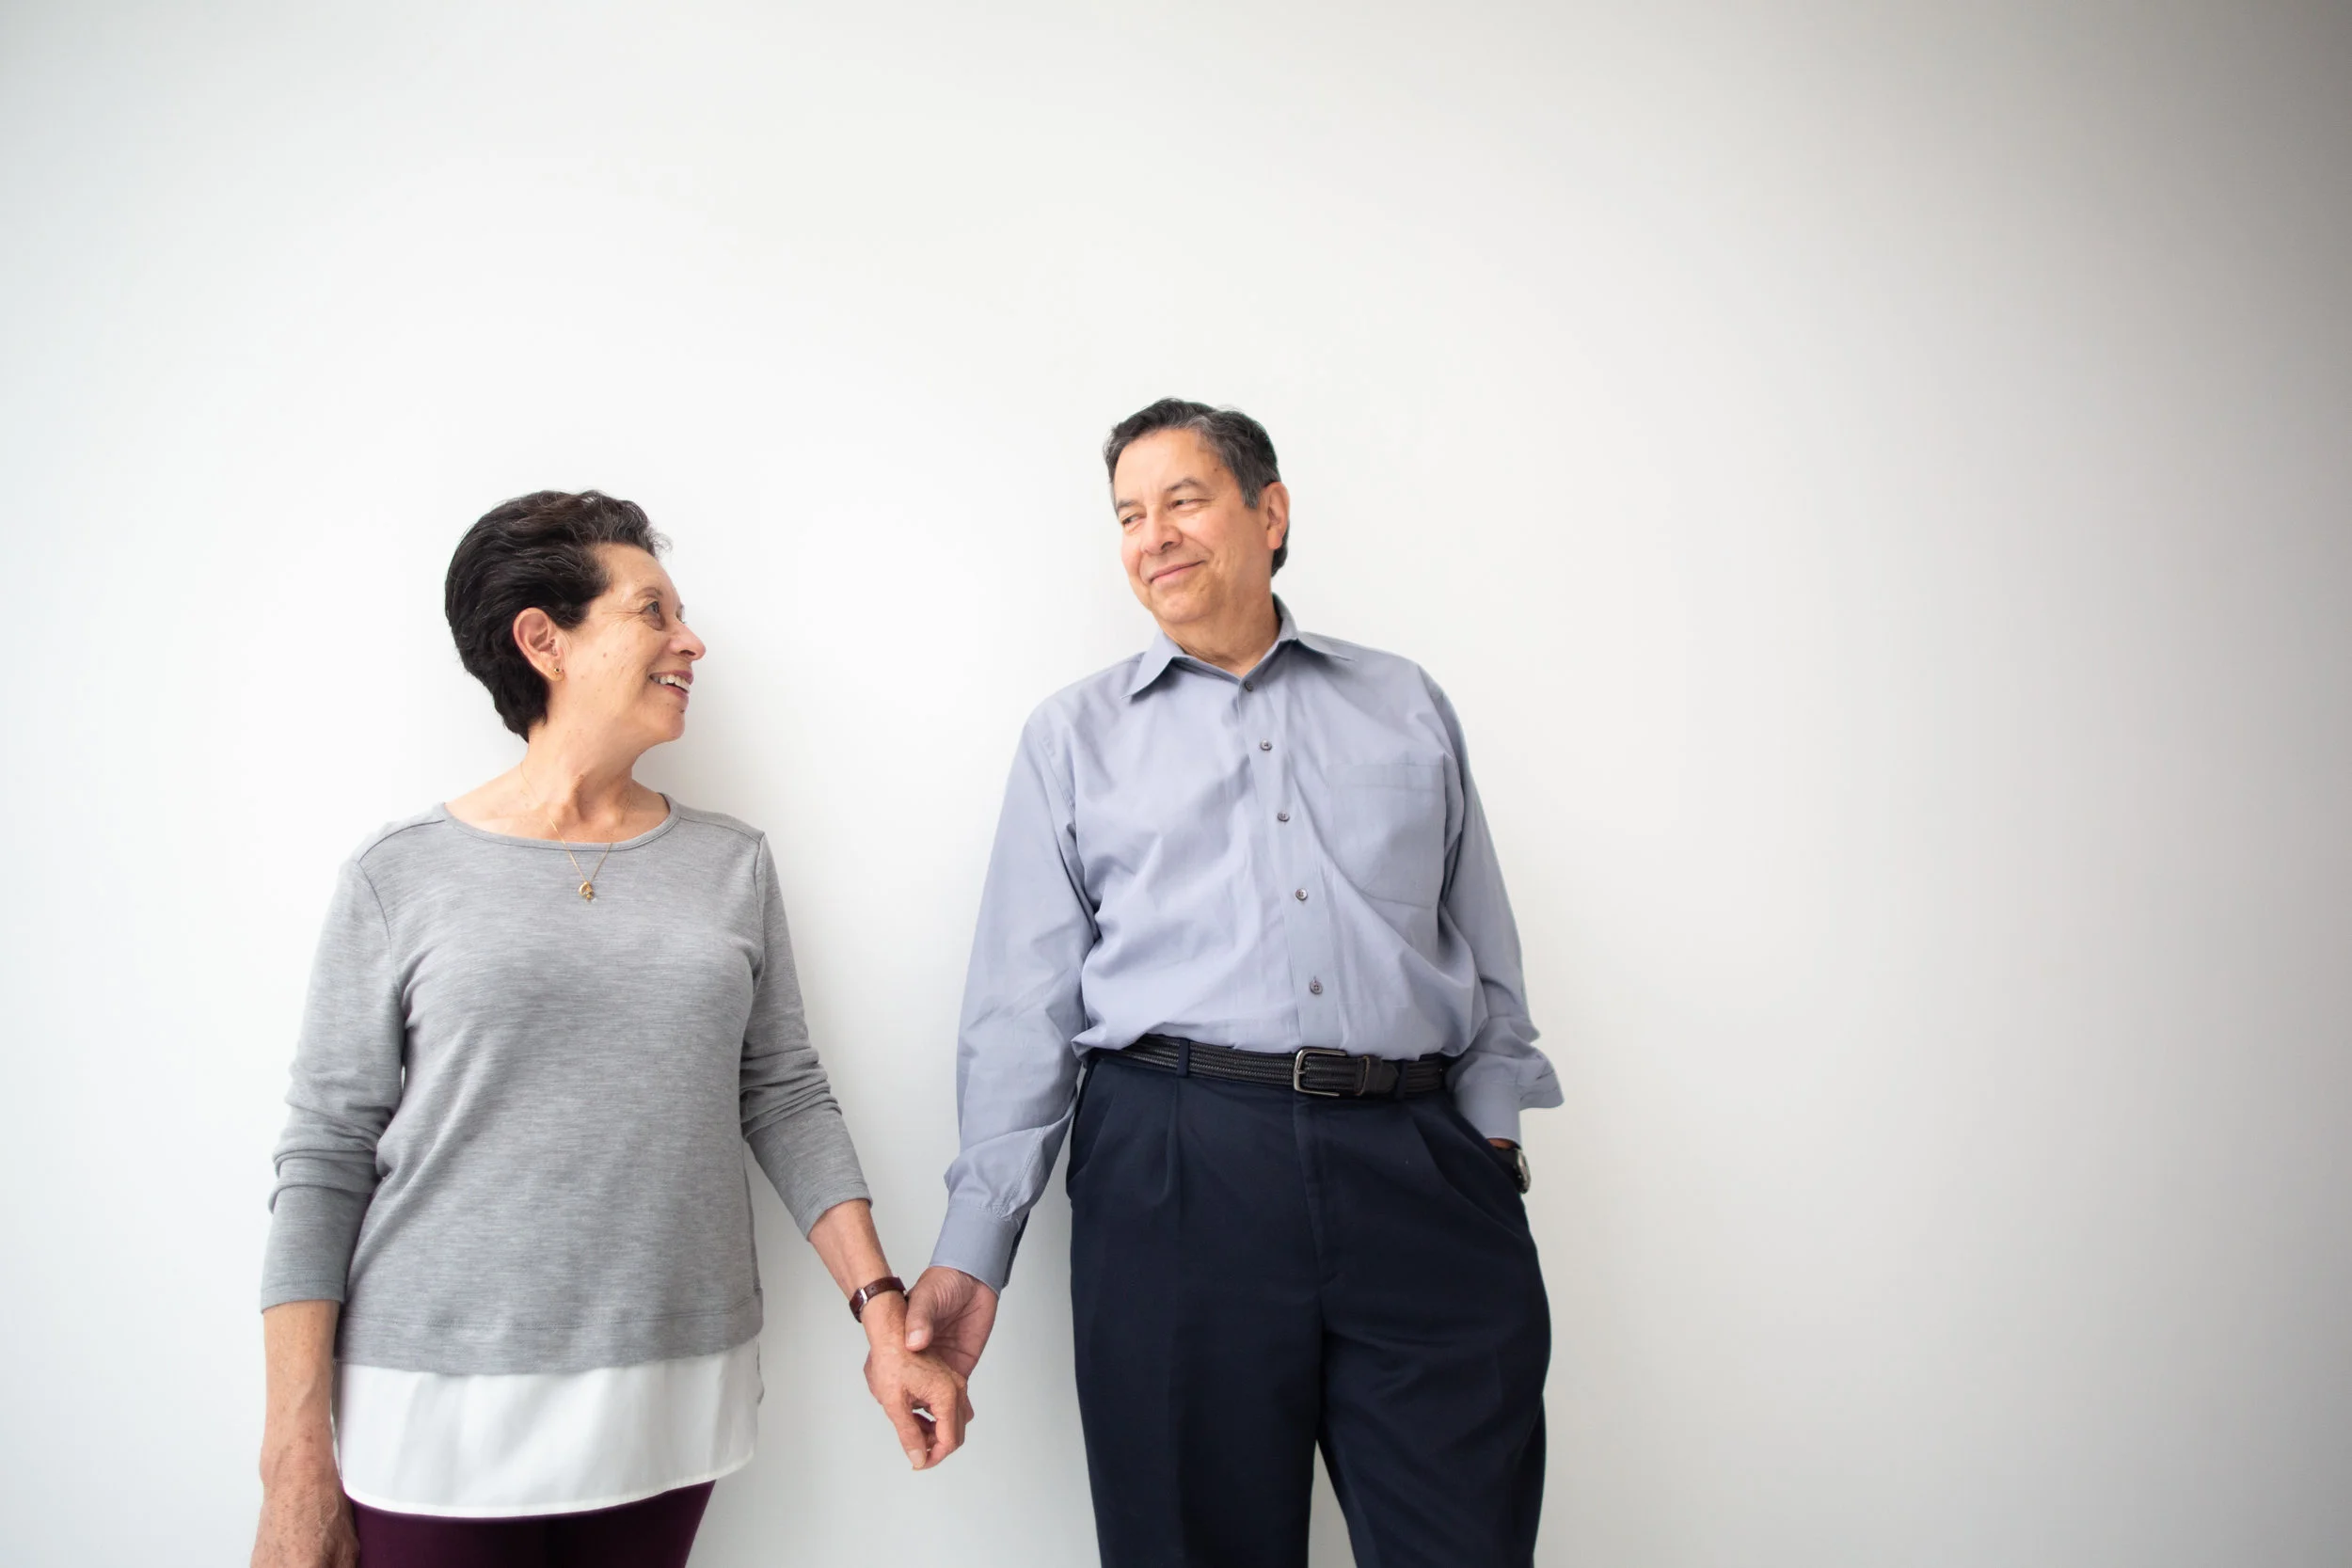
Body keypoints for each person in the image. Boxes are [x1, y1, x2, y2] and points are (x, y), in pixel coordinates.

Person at [250, 491, 966, 1568]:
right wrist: (293, 1454)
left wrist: (881, 1313)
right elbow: (325, 1152)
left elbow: (783, 1094)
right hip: (436, 1396)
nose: (691, 641)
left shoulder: (730, 863)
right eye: (652, 611)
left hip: (666, 1392)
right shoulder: (400, 875)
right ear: (543, 639)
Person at [903, 401, 1561, 1566]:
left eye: (1183, 500)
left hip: (1419, 1171)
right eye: (1127, 515)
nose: (1151, 535)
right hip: (1175, 1166)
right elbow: (1021, 1011)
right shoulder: (1072, 736)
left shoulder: (1405, 702)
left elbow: (1482, 942)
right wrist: (975, 1242)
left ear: (1271, 512)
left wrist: (1489, 1145)